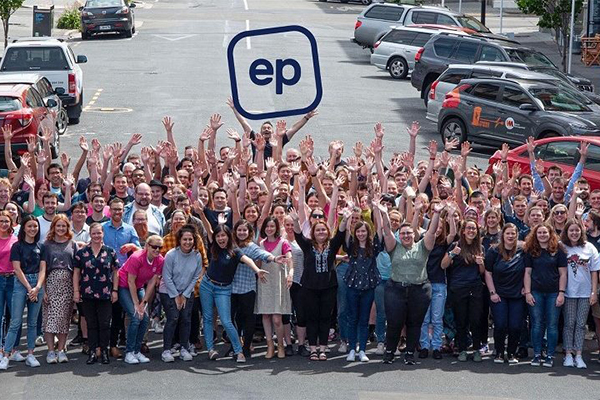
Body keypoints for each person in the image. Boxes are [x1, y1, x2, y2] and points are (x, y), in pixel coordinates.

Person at [379, 200, 444, 365]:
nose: (406, 236)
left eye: (409, 233)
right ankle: (389, 351)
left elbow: (432, 231)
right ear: (399, 236)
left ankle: (409, 353)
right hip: (395, 289)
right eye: (403, 234)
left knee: (415, 323)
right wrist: (383, 212)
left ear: (414, 234)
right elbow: (386, 231)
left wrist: (436, 213)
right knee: (394, 322)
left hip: (419, 290)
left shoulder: (423, 246)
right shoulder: (394, 246)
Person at [201, 224, 268, 363]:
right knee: (207, 318)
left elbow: (248, 260)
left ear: (228, 236)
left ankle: (239, 351)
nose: (220, 238)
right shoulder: (213, 246)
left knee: (226, 321)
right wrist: (201, 212)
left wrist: (257, 270)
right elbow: (208, 228)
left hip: (224, 289)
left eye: (223, 235)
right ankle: (211, 349)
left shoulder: (235, 251)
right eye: (218, 236)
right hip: (207, 285)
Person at [290, 208, 346, 361]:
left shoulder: (332, 246)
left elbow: (341, 234)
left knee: (325, 318)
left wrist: (345, 218)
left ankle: (323, 348)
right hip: (310, 288)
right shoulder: (307, 246)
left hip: (328, 287)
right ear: (313, 233)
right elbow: (298, 235)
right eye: (318, 230)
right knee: (312, 318)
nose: (321, 232)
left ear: (327, 232)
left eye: (323, 230)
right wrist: (295, 221)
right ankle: (313, 348)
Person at [231, 220, 285, 358]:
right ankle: (235, 345)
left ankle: (247, 346)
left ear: (249, 232)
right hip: (231, 288)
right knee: (233, 319)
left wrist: (273, 258)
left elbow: (263, 254)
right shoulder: (231, 246)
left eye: (245, 230)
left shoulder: (252, 247)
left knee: (248, 318)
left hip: (247, 288)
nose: (242, 233)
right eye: (239, 230)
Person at [0, 215, 43, 370]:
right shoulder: (17, 246)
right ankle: (6, 355)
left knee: (32, 323)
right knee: (15, 322)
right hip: (20, 284)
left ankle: (30, 354)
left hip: (37, 285)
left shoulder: (41, 246)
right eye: (29, 226)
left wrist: (37, 287)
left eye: (35, 226)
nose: (32, 229)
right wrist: (28, 288)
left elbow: (43, 269)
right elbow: (16, 268)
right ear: (24, 227)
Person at [73, 223, 120, 365]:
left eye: (99, 233)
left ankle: (104, 351)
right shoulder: (82, 253)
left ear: (103, 234)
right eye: (94, 233)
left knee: (105, 323)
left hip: (105, 293)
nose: (96, 236)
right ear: (90, 234)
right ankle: (93, 351)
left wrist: (115, 290)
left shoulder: (110, 251)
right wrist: (76, 291)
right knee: (91, 323)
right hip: (87, 294)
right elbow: (76, 273)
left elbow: (115, 272)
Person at [441, 219, 486, 363]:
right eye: (469, 228)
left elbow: (482, 272)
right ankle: (462, 349)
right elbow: (443, 265)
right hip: (458, 288)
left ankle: (477, 349)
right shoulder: (456, 245)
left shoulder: (480, 247)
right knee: (461, 320)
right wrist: (452, 254)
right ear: (463, 230)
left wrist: (481, 264)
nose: (471, 231)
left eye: (474, 229)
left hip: (475, 287)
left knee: (475, 320)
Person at [523, 223, 567, 368]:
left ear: (550, 234)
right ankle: (536, 354)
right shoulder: (531, 251)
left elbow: (563, 274)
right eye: (539, 233)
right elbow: (527, 273)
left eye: (545, 232)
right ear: (535, 235)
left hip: (554, 292)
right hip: (536, 292)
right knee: (536, 324)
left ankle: (549, 355)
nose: (542, 235)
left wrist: (561, 293)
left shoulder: (558, 251)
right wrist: (528, 292)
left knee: (552, 325)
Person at [159, 225, 205, 363]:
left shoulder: (197, 255)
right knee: (173, 318)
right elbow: (166, 277)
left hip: (187, 292)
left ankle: (184, 347)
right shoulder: (171, 254)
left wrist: (184, 295)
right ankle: (166, 349)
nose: (187, 242)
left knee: (186, 319)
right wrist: (176, 296)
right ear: (179, 240)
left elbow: (196, 276)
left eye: (190, 239)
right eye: (185, 239)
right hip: (168, 291)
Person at [118, 236, 165, 365]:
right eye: (154, 246)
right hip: (124, 286)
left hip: (139, 286)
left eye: (160, 248)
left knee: (144, 318)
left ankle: (137, 350)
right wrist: (136, 304)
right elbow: (130, 281)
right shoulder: (136, 258)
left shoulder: (160, 260)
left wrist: (143, 302)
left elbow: (151, 282)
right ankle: (129, 351)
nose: (157, 250)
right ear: (147, 246)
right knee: (135, 316)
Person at [484, 224, 526, 364]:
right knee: (500, 324)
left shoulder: (523, 250)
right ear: (503, 235)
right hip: (499, 294)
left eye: (513, 233)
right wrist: (492, 292)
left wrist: (526, 287)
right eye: (507, 233)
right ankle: (499, 352)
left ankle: (512, 353)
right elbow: (488, 273)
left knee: (515, 325)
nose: (510, 236)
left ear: (517, 235)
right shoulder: (493, 251)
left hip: (517, 295)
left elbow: (528, 270)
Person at [561, 218, 599, 369]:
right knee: (569, 324)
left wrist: (593, 292)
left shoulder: (589, 247)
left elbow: (595, 272)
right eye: (571, 230)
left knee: (581, 325)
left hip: (584, 293)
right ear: (566, 232)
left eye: (577, 230)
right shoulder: (562, 247)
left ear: (582, 231)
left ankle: (578, 354)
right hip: (569, 292)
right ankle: (568, 354)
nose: (574, 233)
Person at [344, 217, 383, 363]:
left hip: (368, 286)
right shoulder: (351, 245)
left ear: (368, 232)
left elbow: (380, 231)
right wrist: (347, 217)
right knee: (352, 318)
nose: (361, 234)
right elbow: (346, 232)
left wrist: (378, 211)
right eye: (358, 231)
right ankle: (352, 349)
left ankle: (362, 351)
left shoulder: (373, 246)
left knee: (364, 319)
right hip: (352, 285)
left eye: (364, 231)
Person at [41, 214, 78, 364]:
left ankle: (61, 350)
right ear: (53, 227)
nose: (61, 228)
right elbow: (42, 268)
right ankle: (50, 351)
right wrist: (43, 289)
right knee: (49, 319)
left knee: (64, 319)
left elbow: (76, 268)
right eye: (58, 226)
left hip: (68, 283)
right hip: (51, 282)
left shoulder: (72, 244)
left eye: (64, 226)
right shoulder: (46, 245)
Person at [256, 217, 293, 359]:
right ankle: (270, 345)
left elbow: (289, 258)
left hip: (278, 281)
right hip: (265, 280)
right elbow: (258, 262)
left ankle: (280, 345)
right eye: (267, 226)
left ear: (276, 228)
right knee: (265, 315)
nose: (269, 229)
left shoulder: (283, 242)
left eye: (272, 226)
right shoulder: (261, 244)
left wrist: (290, 272)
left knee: (277, 318)